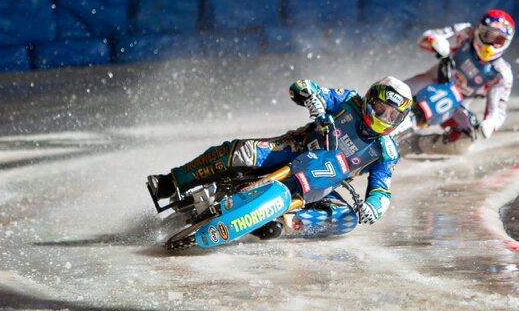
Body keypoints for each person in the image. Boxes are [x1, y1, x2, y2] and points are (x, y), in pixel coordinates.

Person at [148, 76, 412, 238]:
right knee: (240, 151)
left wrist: (373, 208)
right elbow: (304, 86)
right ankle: (172, 181)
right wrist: (312, 97)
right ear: (370, 100)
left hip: (325, 184)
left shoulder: (386, 151)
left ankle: (279, 223)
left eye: (392, 115)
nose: (383, 118)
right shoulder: (348, 100)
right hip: (295, 148)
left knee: (346, 220)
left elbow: (382, 190)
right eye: (381, 108)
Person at [404, 9, 515, 154]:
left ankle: (413, 144)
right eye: (487, 35)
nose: (491, 43)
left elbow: (497, 111)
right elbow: (425, 38)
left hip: (456, 107)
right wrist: (437, 42)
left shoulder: (501, 74)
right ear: (478, 30)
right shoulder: (465, 33)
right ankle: (369, 113)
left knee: (465, 141)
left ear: (506, 42)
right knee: (392, 92)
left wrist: (489, 125)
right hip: (432, 81)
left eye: (498, 39)